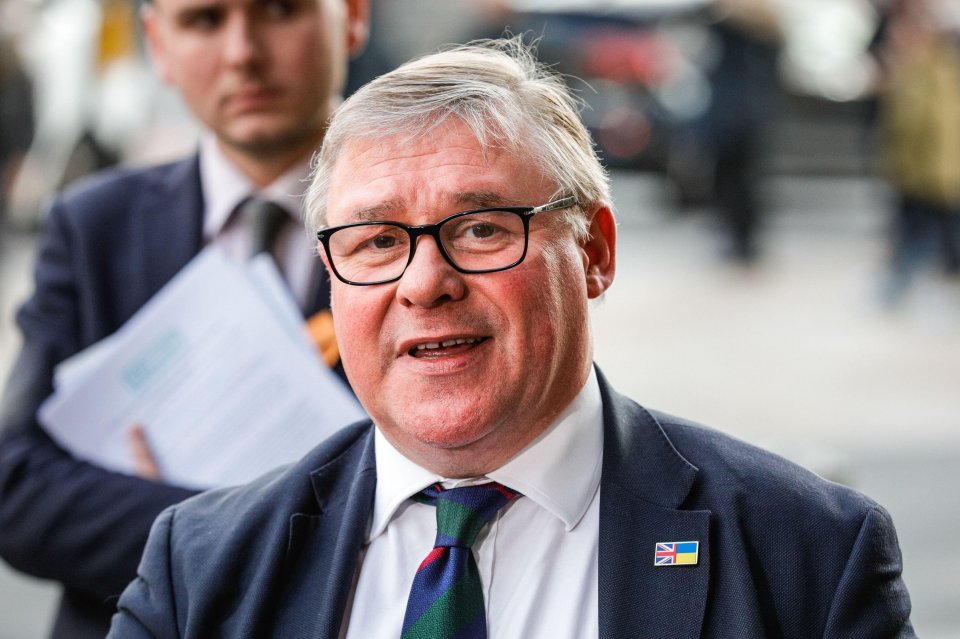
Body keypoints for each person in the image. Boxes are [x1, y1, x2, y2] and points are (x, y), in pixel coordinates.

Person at [109, 38, 915, 638]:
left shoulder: (806, 554)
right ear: (330, 276)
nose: (425, 282)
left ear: (595, 251)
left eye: (483, 227)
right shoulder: (199, 567)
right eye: (377, 242)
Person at [0, 0, 369, 637]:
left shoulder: (429, 230)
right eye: (204, 19)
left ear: (354, 17)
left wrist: (164, 506)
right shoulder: (94, 228)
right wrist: (279, 531)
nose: (242, 53)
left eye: (281, 10)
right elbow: (18, 490)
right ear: (158, 44)